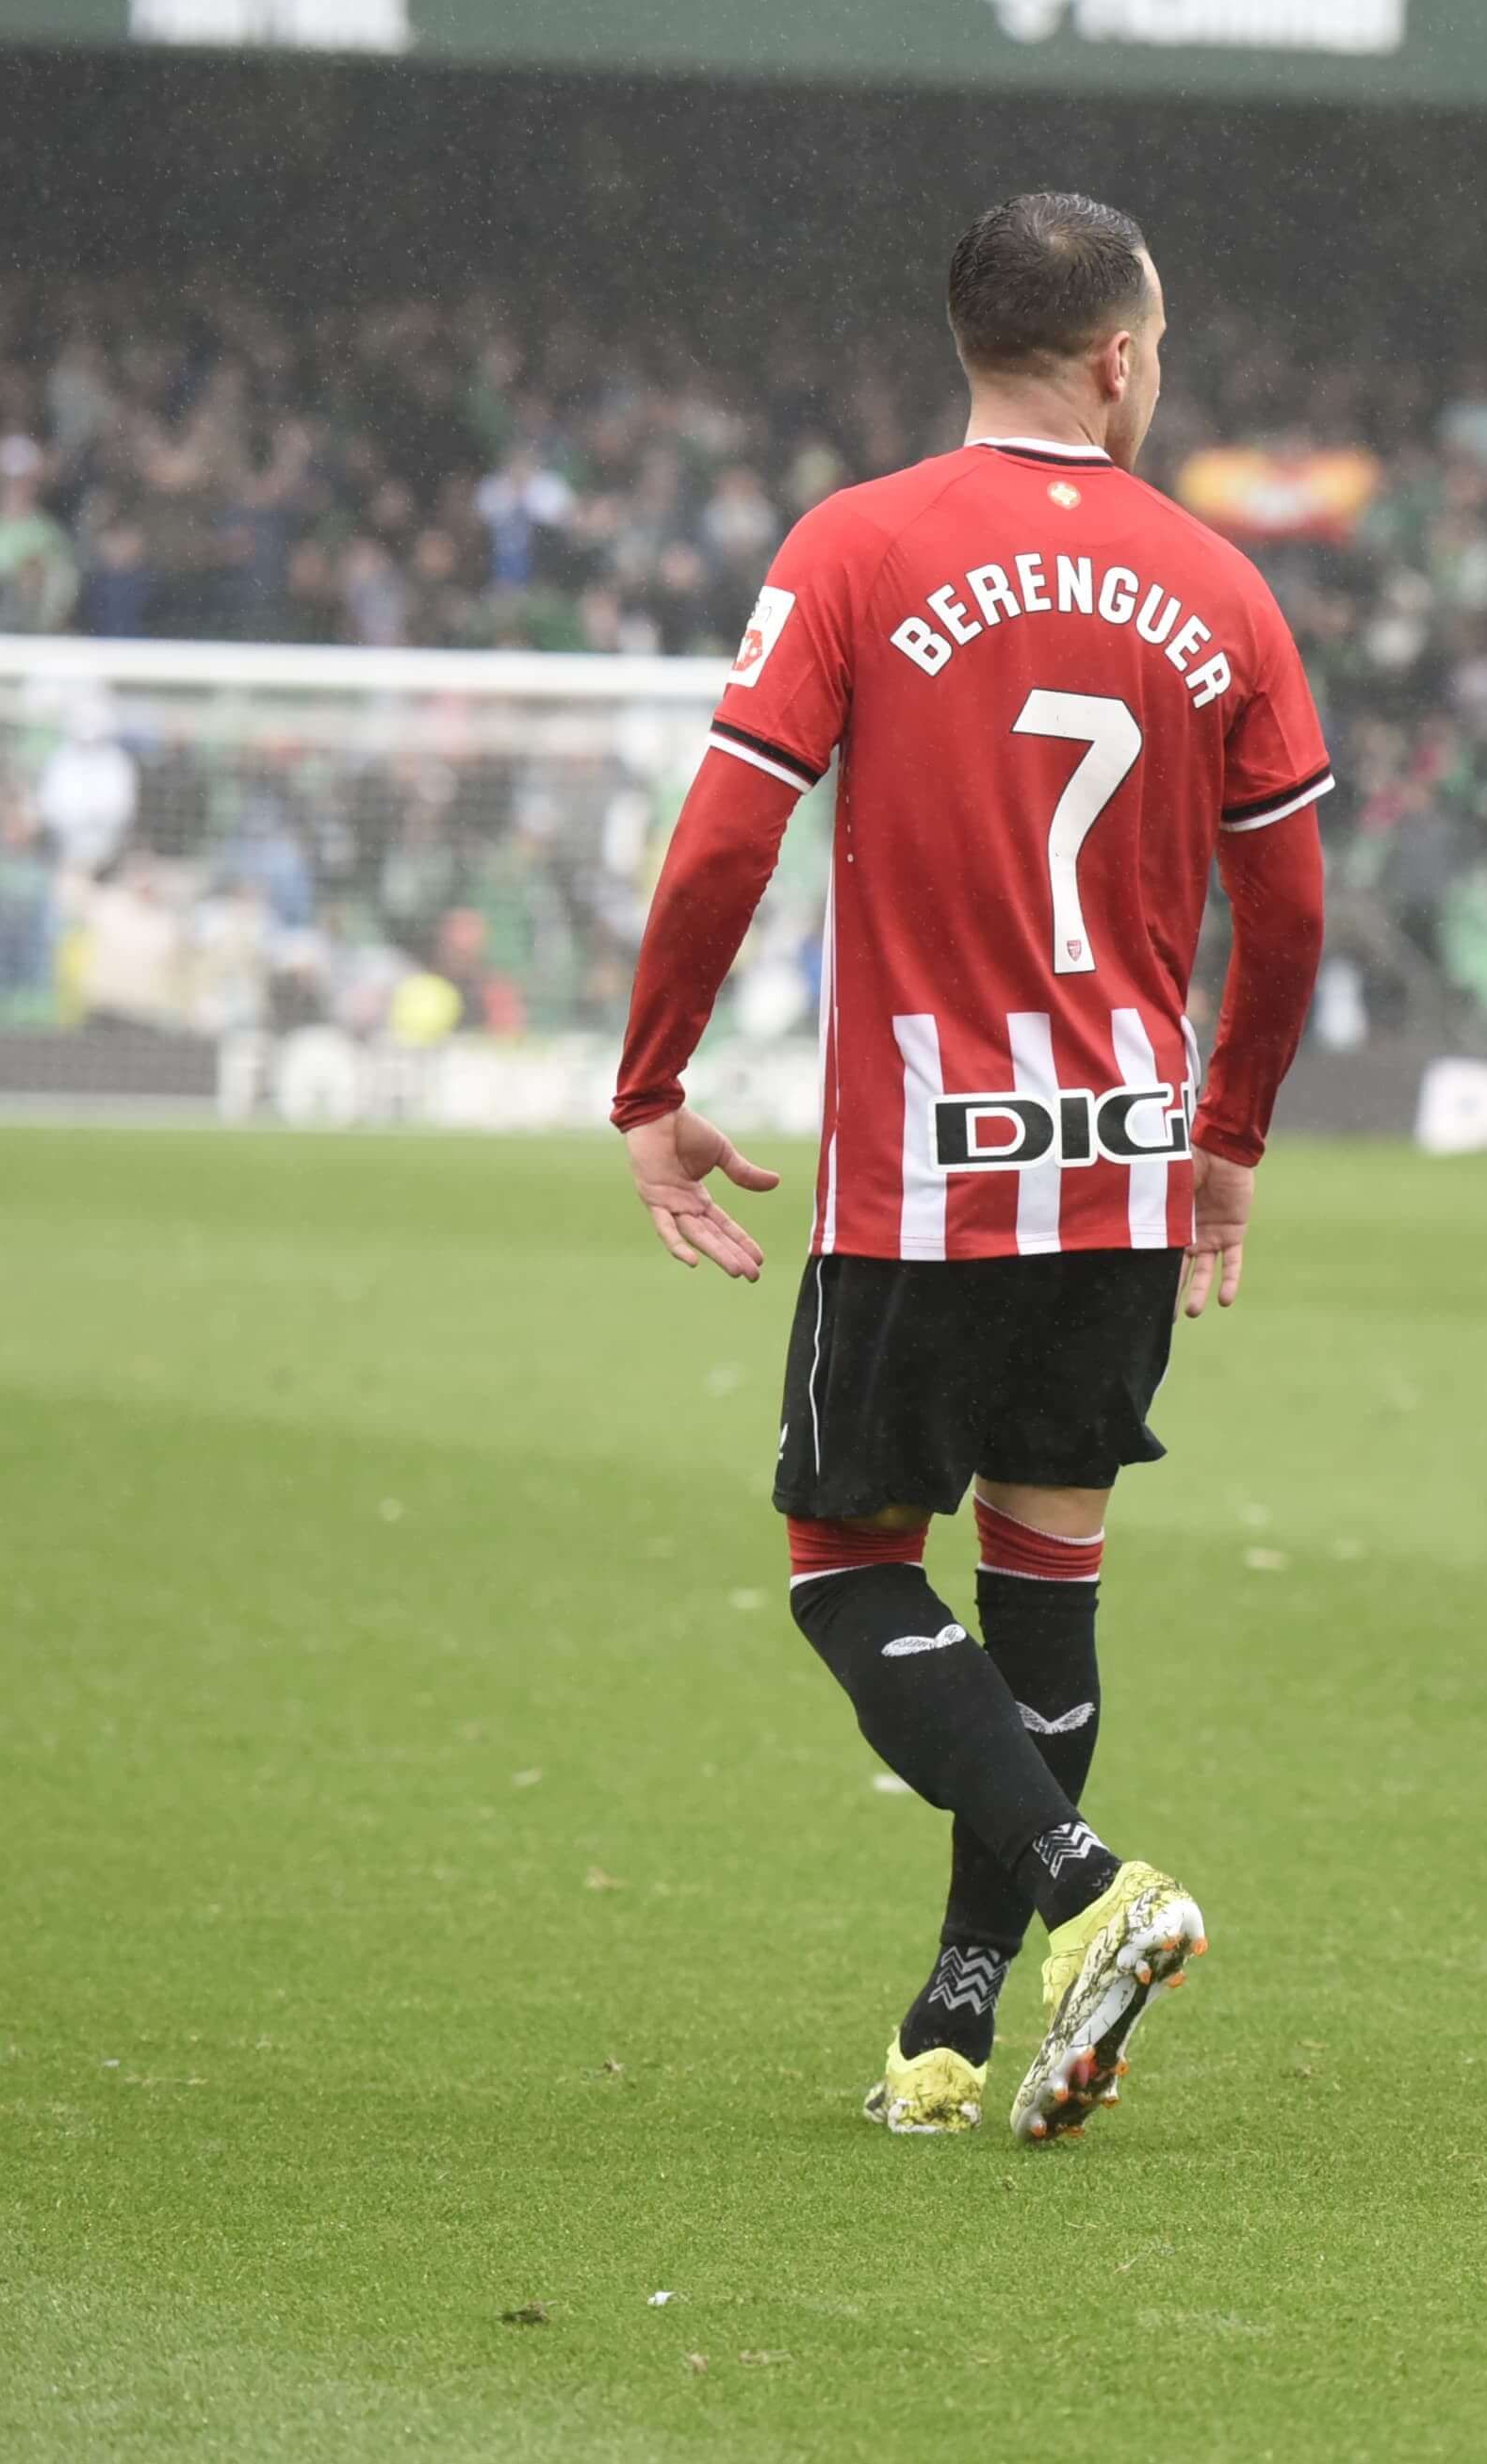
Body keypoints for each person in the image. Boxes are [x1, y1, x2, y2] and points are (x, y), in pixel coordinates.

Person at [610, 192, 1333, 2146]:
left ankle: (1092, 1887)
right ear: (1118, 358)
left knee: (850, 1562)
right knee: (1046, 1575)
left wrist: (652, 1078)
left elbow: (716, 847)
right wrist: (1232, 1138)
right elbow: (1291, 903)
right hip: (1116, 1164)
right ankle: (956, 2010)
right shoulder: (1224, 587)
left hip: (926, 1171)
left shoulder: (855, 546)